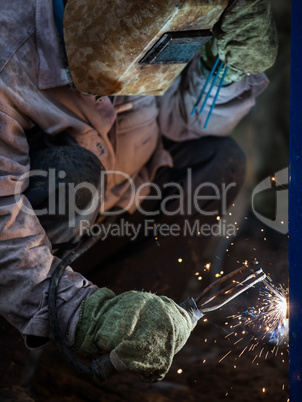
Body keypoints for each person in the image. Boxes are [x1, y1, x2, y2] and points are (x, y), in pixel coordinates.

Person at [0, 0, 277, 383]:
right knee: (73, 178)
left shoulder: (147, 14)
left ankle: (127, 349)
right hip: (27, 257)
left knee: (218, 159)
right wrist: (83, 311)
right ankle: (14, 354)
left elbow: (177, 124)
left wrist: (224, 70)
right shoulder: (9, 49)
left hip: (103, 222)